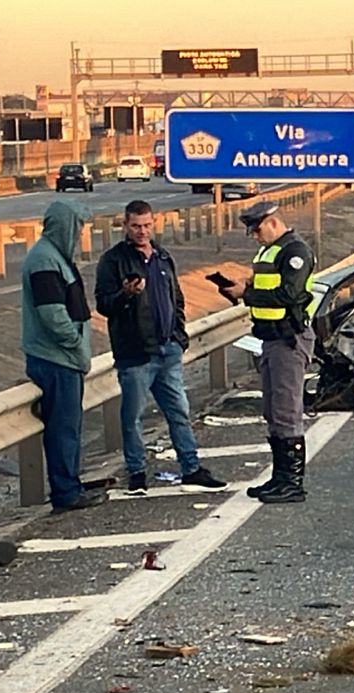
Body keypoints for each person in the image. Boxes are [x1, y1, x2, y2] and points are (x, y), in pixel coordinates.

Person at [95, 200, 227, 494]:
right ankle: (137, 473)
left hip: (168, 349)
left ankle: (191, 468)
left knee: (179, 411)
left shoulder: (163, 257)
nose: (142, 232)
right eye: (136, 226)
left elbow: (176, 299)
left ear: (154, 225)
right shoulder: (113, 261)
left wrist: (179, 336)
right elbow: (104, 304)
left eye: (147, 226)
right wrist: (126, 294)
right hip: (136, 352)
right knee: (132, 417)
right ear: (125, 226)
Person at [218, 200, 316, 504]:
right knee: (273, 410)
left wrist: (246, 294)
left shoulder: (295, 251)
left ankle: (292, 482)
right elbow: (266, 282)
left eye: (257, 229)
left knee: (287, 410)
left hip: (289, 338)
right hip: (271, 339)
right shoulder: (269, 251)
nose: (254, 236)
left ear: (273, 222)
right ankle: (279, 477)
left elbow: (290, 294)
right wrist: (244, 285)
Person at [20, 198, 106, 512]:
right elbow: (52, 314)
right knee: (63, 430)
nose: (80, 232)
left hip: (64, 358)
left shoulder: (53, 256)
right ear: (66, 226)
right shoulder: (44, 260)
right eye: (78, 226)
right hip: (56, 359)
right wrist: (73, 342)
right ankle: (66, 492)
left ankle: (70, 485)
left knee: (68, 428)